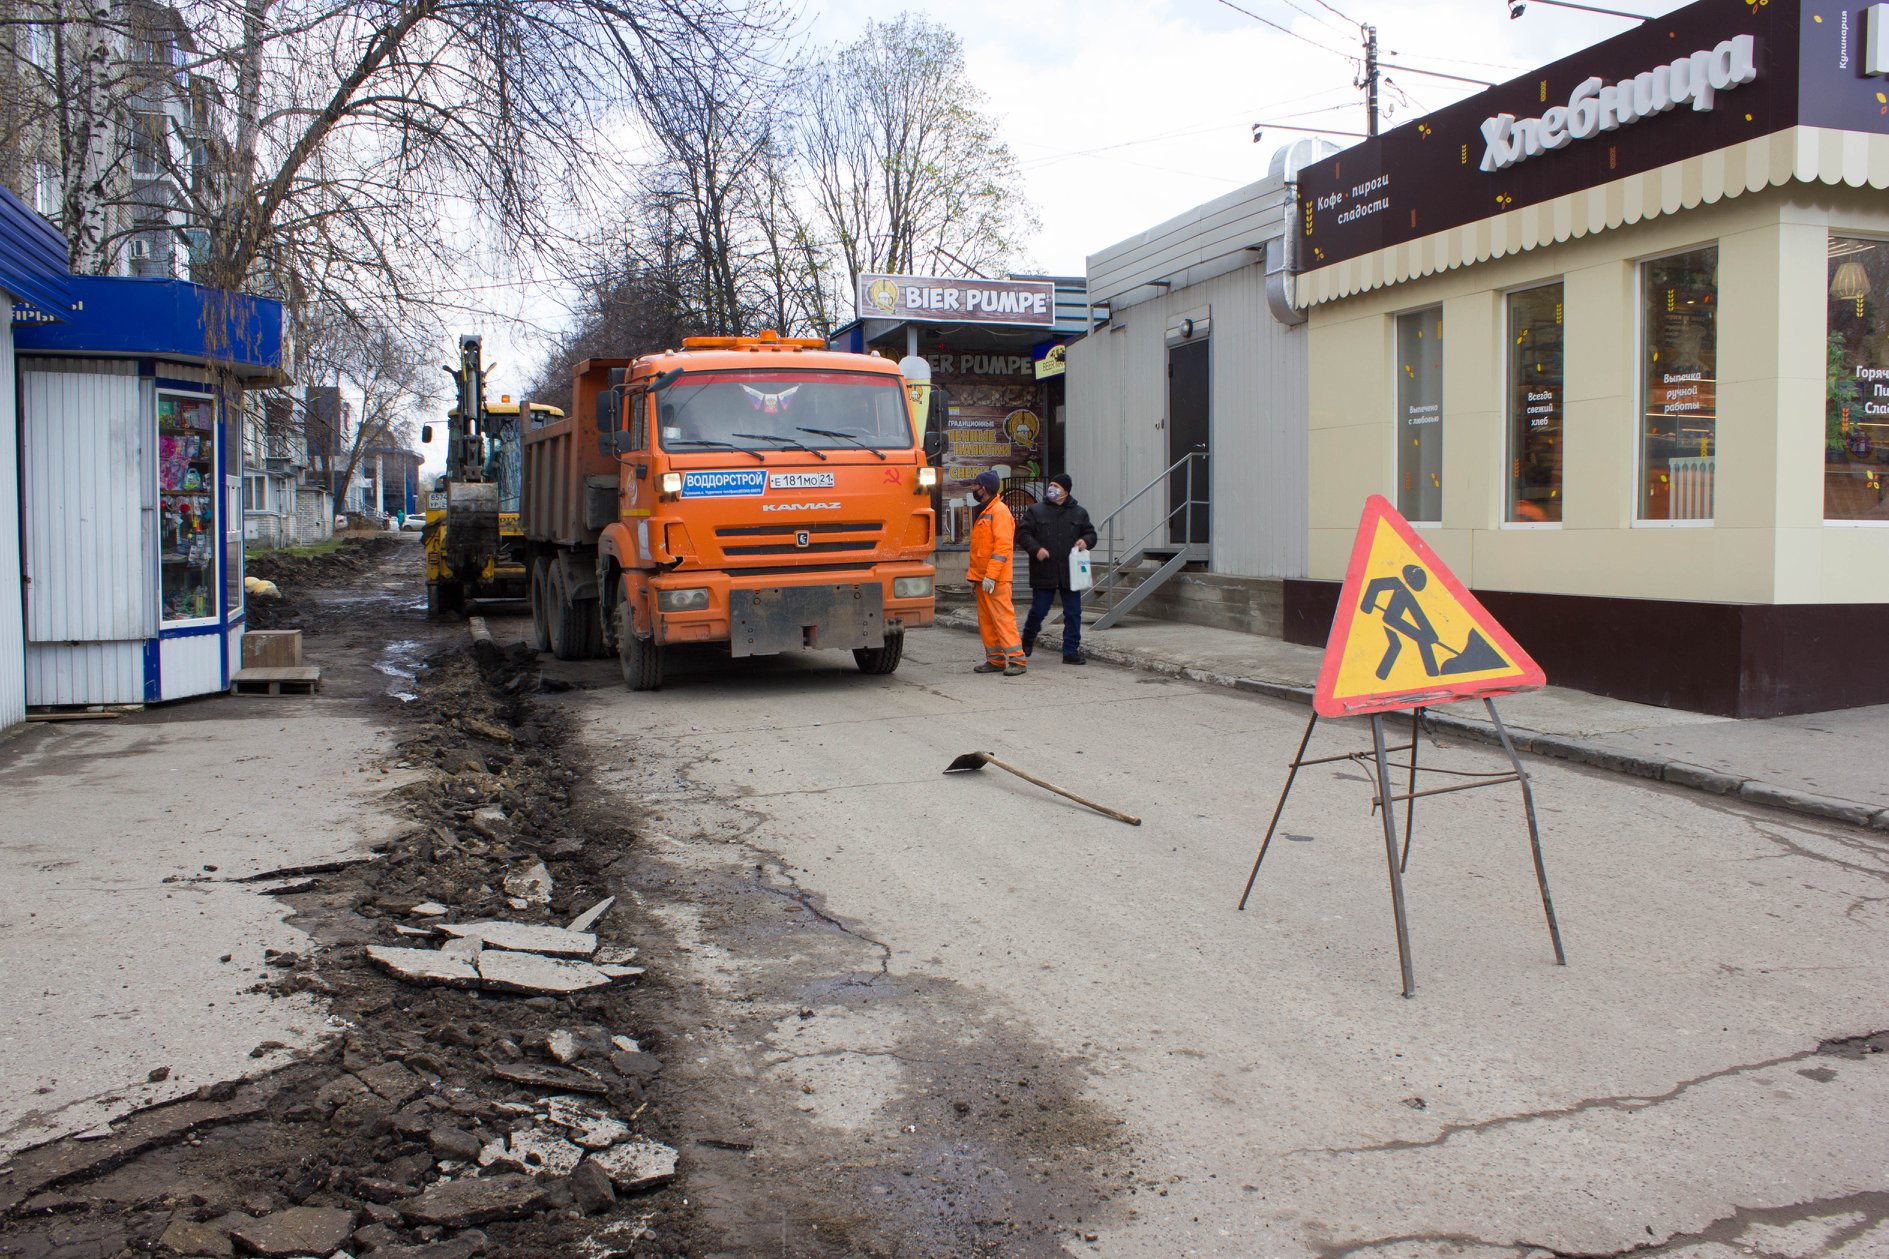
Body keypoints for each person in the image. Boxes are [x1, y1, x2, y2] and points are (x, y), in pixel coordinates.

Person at [1016, 473, 1098, 665]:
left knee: (1073, 612)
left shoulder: (1079, 513)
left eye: (1056, 486)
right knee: (1039, 610)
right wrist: (1036, 549)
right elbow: (1022, 534)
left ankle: (1070, 651)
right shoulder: (1036, 511)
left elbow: (1091, 533)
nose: (1051, 488)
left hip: (1071, 573)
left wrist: (1085, 541)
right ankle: (1027, 639)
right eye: (1051, 484)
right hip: (1044, 570)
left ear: (1066, 491)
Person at [966, 470, 1026, 675]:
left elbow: (1002, 548)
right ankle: (995, 660)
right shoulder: (988, 511)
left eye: (976, 485)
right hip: (983, 578)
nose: (973, 488)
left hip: (995, 579)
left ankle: (1017, 660)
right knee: (987, 621)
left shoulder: (999, 511)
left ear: (984, 488)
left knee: (1002, 619)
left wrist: (991, 575)